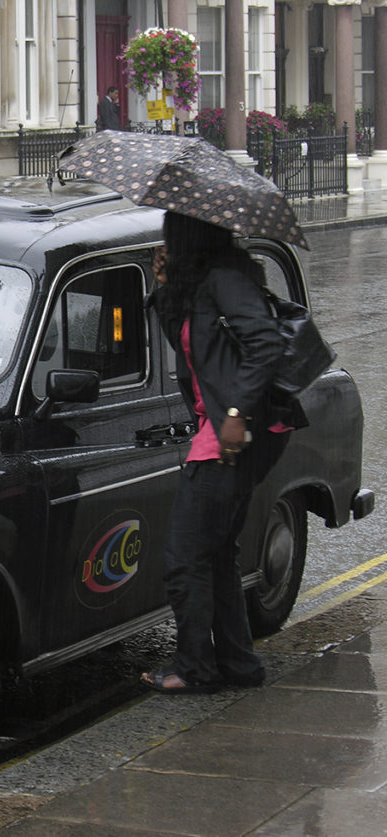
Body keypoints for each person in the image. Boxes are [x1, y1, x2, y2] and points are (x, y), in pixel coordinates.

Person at [141, 211, 303, 694]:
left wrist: (234, 413)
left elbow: (265, 343)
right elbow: (191, 352)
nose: (163, 240)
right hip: (224, 427)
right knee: (215, 553)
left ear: (189, 233)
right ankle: (238, 663)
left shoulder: (227, 279)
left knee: (184, 557)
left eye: (171, 232)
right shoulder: (200, 283)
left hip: (236, 433)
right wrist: (165, 286)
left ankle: (194, 668)